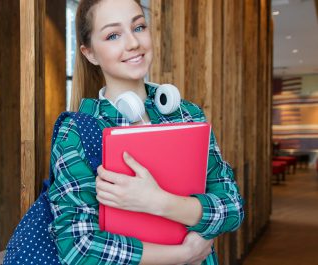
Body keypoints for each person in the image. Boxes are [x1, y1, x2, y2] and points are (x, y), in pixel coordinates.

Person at [48, 0, 245, 264]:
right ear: (89, 53)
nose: (133, 43)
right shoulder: (76, 132)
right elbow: (78, 248)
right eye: (113, 35)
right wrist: (183, 254)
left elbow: (232, 207)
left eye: (139, 27)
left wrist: (157, 201)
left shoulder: (187, 115)